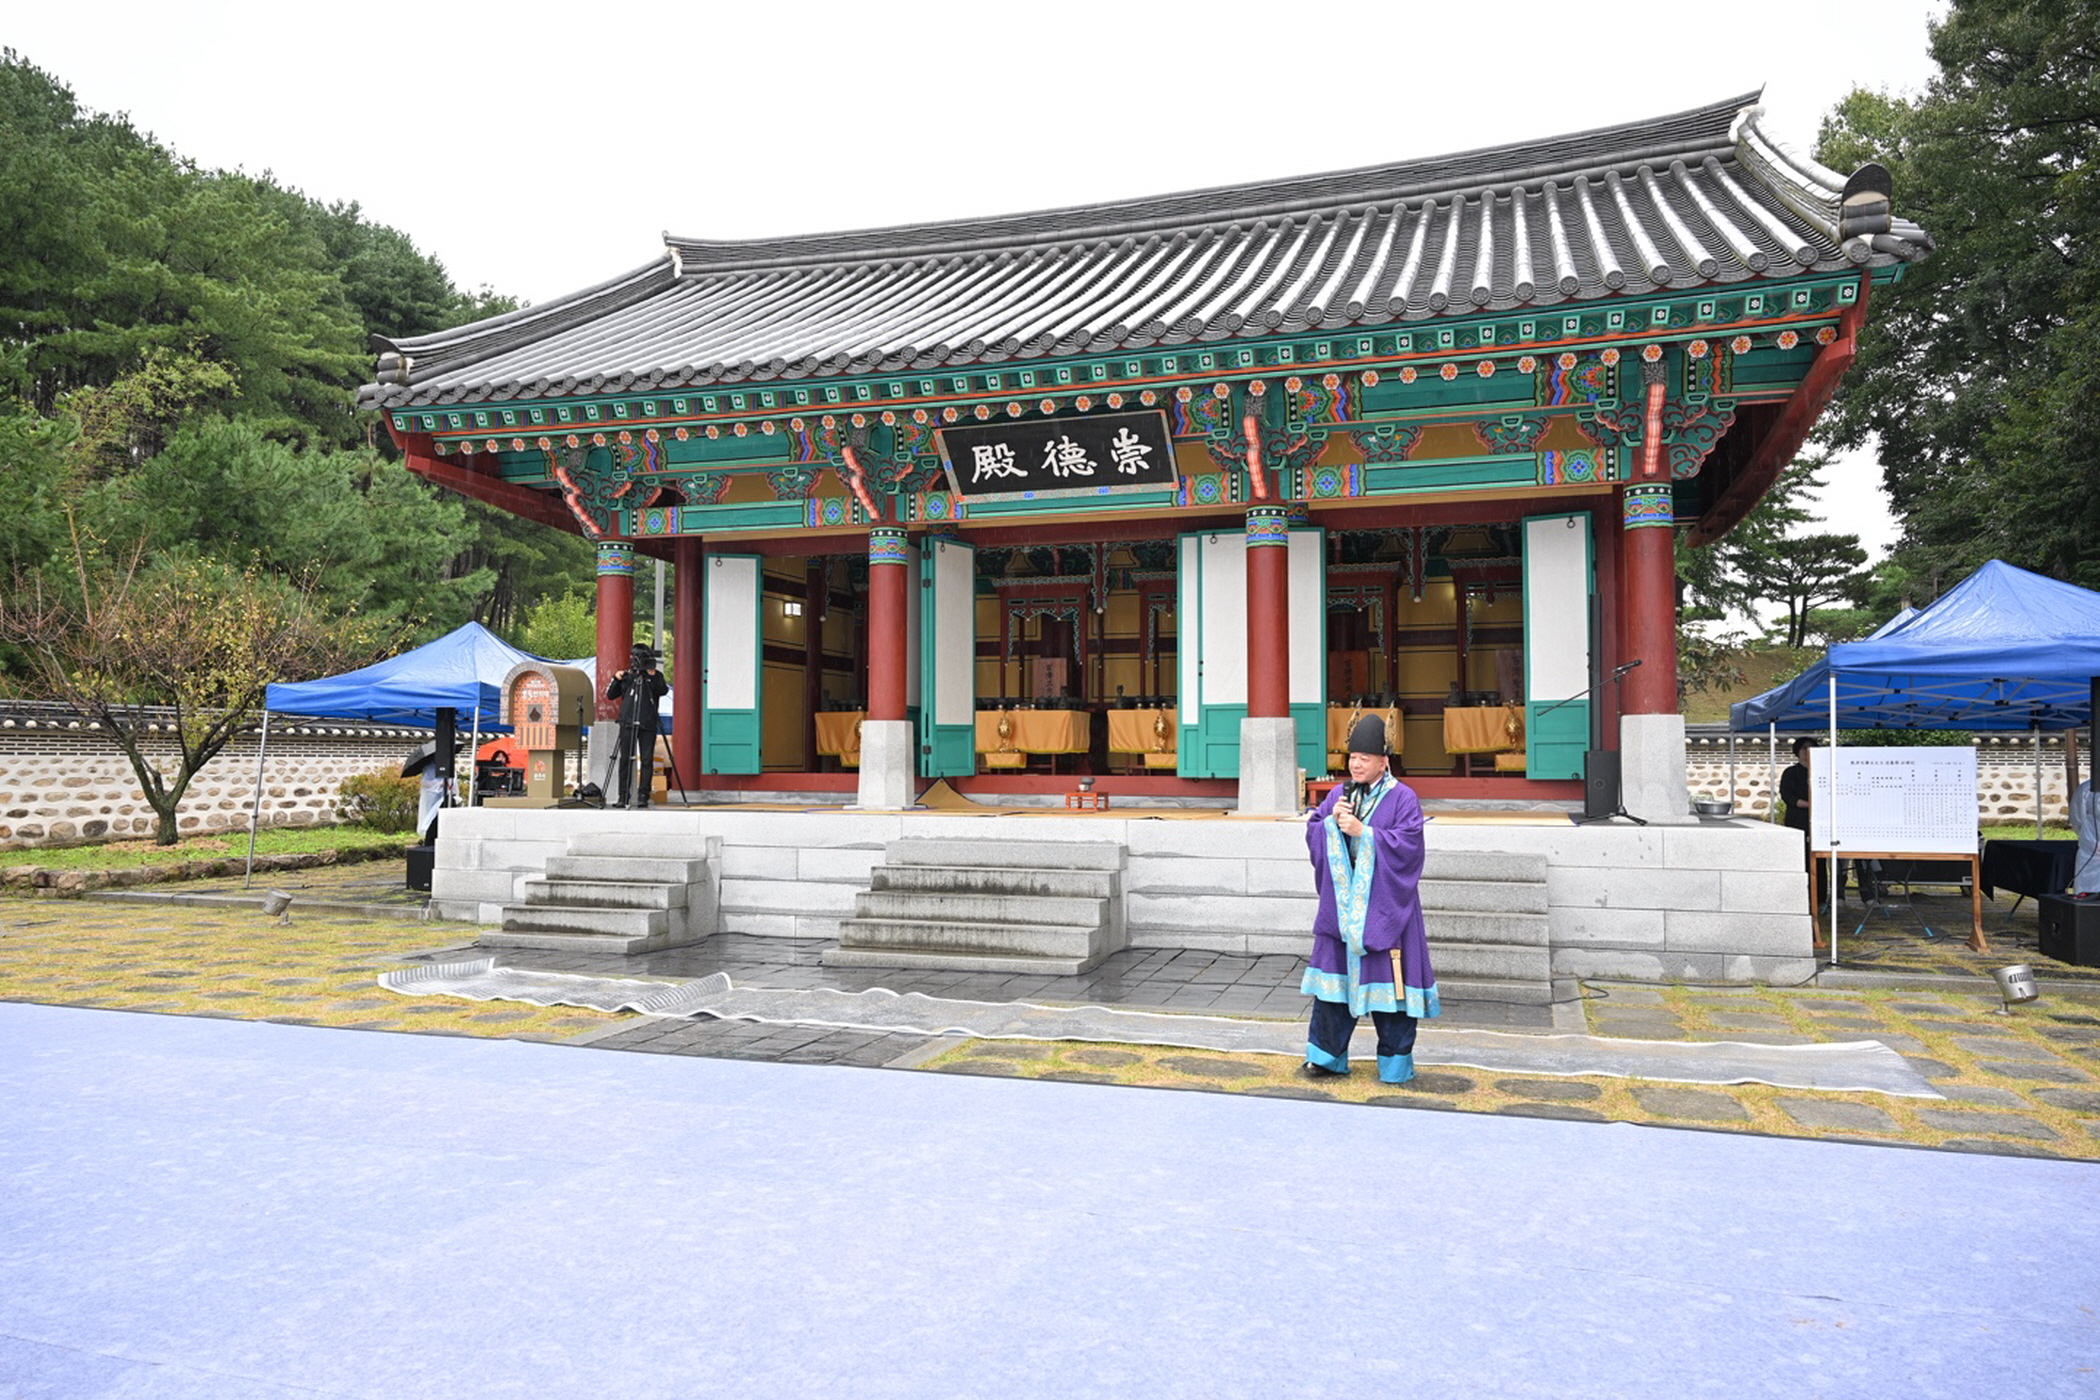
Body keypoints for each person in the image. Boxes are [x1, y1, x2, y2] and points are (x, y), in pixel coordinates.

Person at [1299, 712, 1439, 1084]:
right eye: (1352, 757)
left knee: (1392, 988)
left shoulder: (1403, 798)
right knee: (1332, 988)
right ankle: (1325, 1057)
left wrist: (1365, 833)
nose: (1356, 764)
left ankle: (1395, 1064)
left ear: (1383, 761)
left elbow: (1410, 848)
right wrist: (1330, 825)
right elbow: (1314, 830)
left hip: (1386, 908)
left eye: (1364, 758)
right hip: (1342, 909)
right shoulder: (1338, 794)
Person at [606, 644, 669, 809]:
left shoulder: (655, 676)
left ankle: (643, 795)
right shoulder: (628, 676)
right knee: (625, 759)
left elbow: (663, 691)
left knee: (647, 760)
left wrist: (652, 675)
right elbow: (611, 695)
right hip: (627, 721)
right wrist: (616, 679)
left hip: (648, 721)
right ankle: (623, 796)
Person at [2067, 728, 2099, 896]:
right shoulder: (2087, 789)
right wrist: (2090, 840)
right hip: (2091, 855)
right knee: (2087, 898)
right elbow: (2077, 819)